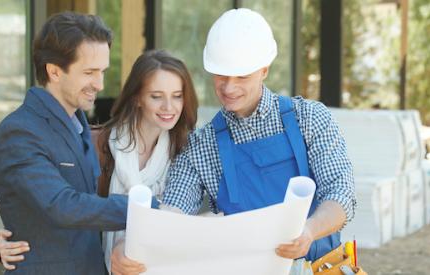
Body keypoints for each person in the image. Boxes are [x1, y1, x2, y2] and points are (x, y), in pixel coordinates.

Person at [111, 8, 356, 274]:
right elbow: (173, 214)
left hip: (322, 267)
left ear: (264, 70)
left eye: (241, 77)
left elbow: (341, 194)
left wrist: (309, 231)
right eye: (221, 76)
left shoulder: (309, 118)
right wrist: (128, 244)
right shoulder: (202, 145)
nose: (228, 88)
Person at [0, 49, 198, 274]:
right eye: (156, 96)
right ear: (137, 97)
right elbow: (60, 205)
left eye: (177, 96)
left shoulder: (187, 151)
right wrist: (6, 241)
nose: (169, 107)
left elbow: (197, 222)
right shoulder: (98, 144)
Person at [0, 12, 158, 275]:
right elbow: (61, 205)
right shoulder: (18, 133)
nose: (100, 84)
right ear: (54, 71)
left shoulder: (80, 127)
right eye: (89, 72)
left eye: (102, 71)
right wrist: (145, 210)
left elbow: (87, 207)